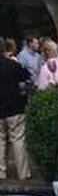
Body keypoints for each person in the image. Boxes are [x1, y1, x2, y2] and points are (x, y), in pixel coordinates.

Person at [0, 40, 31, 178]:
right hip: (15, 108)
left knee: (0, 141)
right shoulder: (13, 65)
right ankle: (23, 173)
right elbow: (27, 77)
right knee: (18, 140)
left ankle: (1, 173)